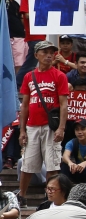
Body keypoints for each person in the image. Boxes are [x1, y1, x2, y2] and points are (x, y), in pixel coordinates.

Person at [18, 40, 70, 205]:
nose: (49, 56)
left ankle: (50, 199)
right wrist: (22, 130)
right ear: (36, 55)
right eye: (45, 52)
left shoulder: (59, 75)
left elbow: (64, 104)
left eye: (51, 53)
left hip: (50, 126)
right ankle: (21, 196)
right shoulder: (29, 76)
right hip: (32, 125)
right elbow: (25, 105)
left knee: (52, 165)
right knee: (27, 164)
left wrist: (61, 128)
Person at [3, 0, 27, 70]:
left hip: (21, 38)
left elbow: (22, 19)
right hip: (12, 38)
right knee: (18, 64)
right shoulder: (3, 2)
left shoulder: (16, 4)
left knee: (22, 64)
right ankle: (17, 80)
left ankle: (19, 79)